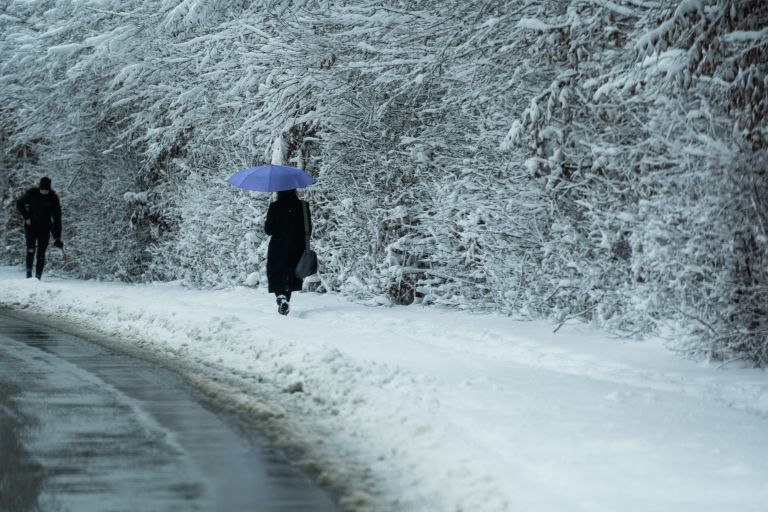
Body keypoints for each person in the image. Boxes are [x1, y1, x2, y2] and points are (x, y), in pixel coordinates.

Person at [264, 189, 311, 315]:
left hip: (278, 246)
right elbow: (308, 229)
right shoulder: (303, 206)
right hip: (297, 246)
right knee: (291, 274)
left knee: (276, 273)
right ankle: (286, 299)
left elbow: (268, 230)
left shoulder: (275, 206)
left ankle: (281, 297)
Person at [16, 176, 63, 280]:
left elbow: (57, 218)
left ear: (49, 189)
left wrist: (57, 237)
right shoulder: (32, 194)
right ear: (39, 187)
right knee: (31, 250)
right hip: (31, 227)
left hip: (45, 228)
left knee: (41, 254)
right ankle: (29, 276)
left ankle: (38, 278)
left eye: (46, 190)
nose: (44, 191)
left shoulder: (53, 198)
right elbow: (19, 203)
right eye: (42, 189)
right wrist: (26, 217)